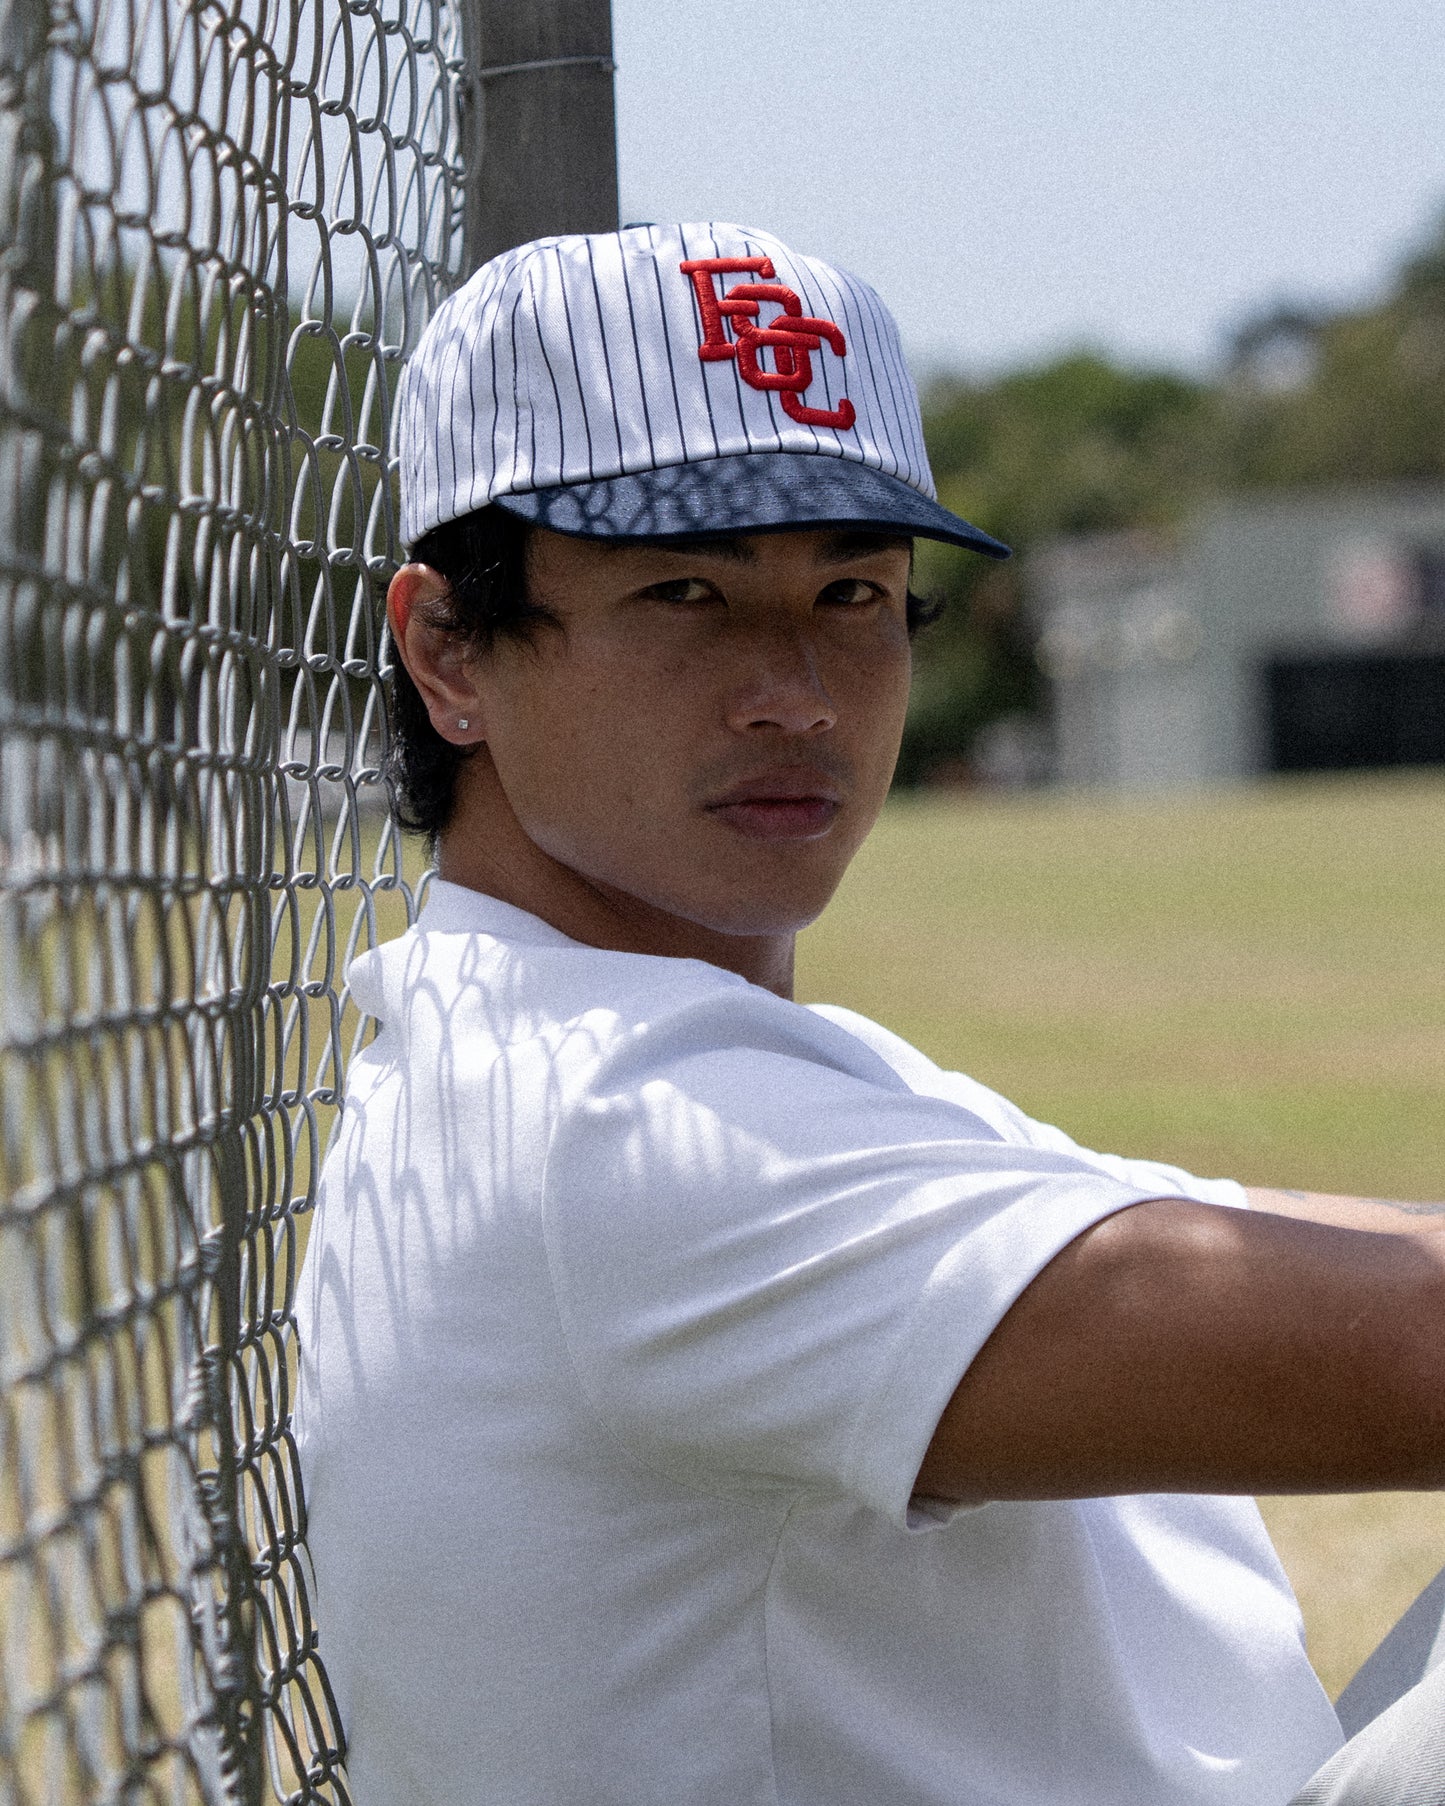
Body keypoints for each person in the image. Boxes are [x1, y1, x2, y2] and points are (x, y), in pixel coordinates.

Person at [294, 222, 1445, 1806]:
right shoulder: (610, 1120)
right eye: (686, 590)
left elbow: (1279, 1247)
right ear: (448, 651)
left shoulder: (614, 1048)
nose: (796, 689)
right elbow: (1413, 1348)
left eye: (849, 588)